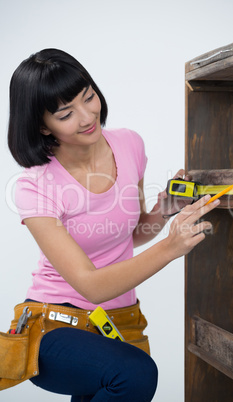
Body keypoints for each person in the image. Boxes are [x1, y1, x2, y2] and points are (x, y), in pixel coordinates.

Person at [6, 48, 219, 401]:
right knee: (134, 374)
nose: (88, 115)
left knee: (115, 380)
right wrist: (170, 247)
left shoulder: (128, 144)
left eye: (88, 97)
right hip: (54, 326)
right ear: (43, 124)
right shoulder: (35, 186)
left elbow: (132, 234)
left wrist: (164, 211)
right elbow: (91, 286)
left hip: (116, 322)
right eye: (65, 113)